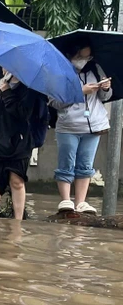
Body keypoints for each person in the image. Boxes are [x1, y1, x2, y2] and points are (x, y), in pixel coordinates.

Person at [50, 44, 113, 214]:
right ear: (72, 54)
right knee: (66, 163)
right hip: (68, 125)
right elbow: (55, 102)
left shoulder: (96, 69)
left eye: (88, 57)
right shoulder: (60, 72)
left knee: (85, 165)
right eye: (81, 57)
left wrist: (106, 88)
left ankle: (81, 202)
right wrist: (80, 92)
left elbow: (105, 97)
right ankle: (65, 200)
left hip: (94, 126)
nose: (84, 61)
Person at [0, 72, 41, 220]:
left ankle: (18, 221)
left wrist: (8, 92)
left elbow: (22, 114)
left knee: (17, 181)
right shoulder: (3, 85)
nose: (5, 69)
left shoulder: (30, 89)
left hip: (18, 144)